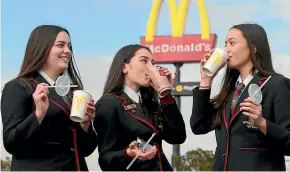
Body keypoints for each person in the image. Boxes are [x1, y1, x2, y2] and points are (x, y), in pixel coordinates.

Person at [190, 23, 290, 171]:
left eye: (232, 43)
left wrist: (262, 123)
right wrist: (206, 80)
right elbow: (199, 126)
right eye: (225, 44)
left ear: (253, 47)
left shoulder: (276, 84)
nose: (226, 50)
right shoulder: (230, 92)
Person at [1, 25, 98, 171]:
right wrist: (38, 114)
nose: (67, 51)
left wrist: (85, 124)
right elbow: (11, 143)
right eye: (60, 45)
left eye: (69, 46)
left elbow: (84, 151)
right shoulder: (18, 86)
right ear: (42, 48)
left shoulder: (70, 93)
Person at [94, 44, 186, 171]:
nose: (151, 67)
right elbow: (106, 159)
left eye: (152, 63)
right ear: (124, 67)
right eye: (144, 61)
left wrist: (165, 94)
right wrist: (128, 153)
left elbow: (177, 136)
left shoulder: (149, 104)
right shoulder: (109, 104)